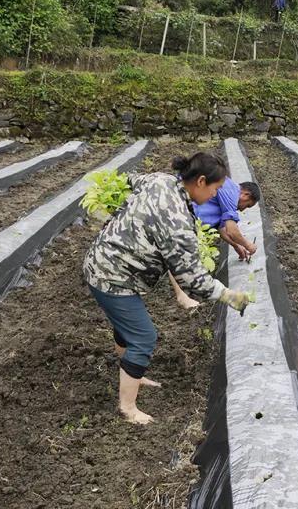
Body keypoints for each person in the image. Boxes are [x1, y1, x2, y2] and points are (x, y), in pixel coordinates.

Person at [83, 152, 252, 424]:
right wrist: (228, 295)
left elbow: (127, 180)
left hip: (103, 261)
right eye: (216, 189)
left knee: (127, 325)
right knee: (144, 337)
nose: (214, 196)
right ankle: (127, 408)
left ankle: (132, 373)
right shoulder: (178, 223)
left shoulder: (159, 180)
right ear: (200, 181)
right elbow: (192, 278)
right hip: (112, 277)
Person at [168, 174, 261, 310]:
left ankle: (186, 291)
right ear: (245, 195)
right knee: (175, 251)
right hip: (181, 217)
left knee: (177, 252)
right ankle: (182, 295)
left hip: (189, 220)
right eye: (247, 206)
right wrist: (248, 245)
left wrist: (236, 245)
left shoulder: (226, 191)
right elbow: (231, 229)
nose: (242, 210)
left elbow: (221, 228)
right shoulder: (231, 192)